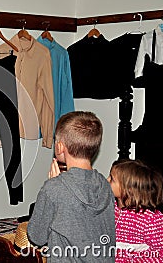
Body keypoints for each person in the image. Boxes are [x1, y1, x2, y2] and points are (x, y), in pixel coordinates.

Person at [27, 111, 116, 262]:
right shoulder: (105, 185)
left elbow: (37, 236)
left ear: (60, 147)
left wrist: (53, 185)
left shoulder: (54, 188)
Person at [108, 159, 163, 262]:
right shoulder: (108, 208)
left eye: (112, 179)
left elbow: (160, 254)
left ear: (128, 189)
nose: (107, 180)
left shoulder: (150, 220)